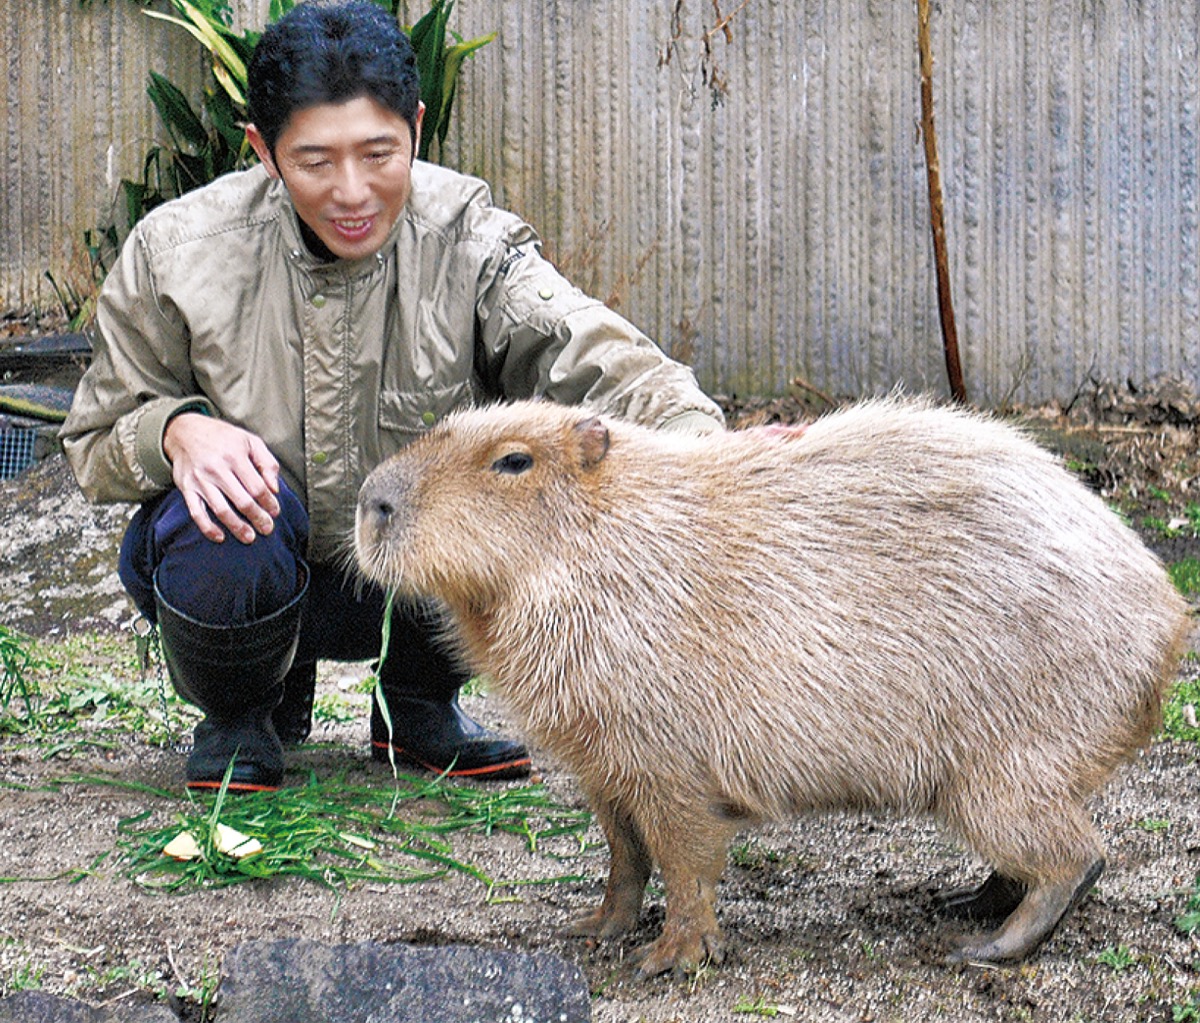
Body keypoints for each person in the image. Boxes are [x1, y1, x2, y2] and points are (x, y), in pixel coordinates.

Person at [60, 0, 724, 793]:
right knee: (223, 524)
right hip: (264, 565)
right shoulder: (177, 253)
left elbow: (592, 352)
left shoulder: (468, 238)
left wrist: (716, 460)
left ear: (416, 127)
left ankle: (417, 705)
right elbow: (95, 444)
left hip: (418, 581)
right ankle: (243, 714)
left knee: (498, 490)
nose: (352, 192)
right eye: (314, 160)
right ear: (263, 152)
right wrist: (176, 431)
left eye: (379, 153)